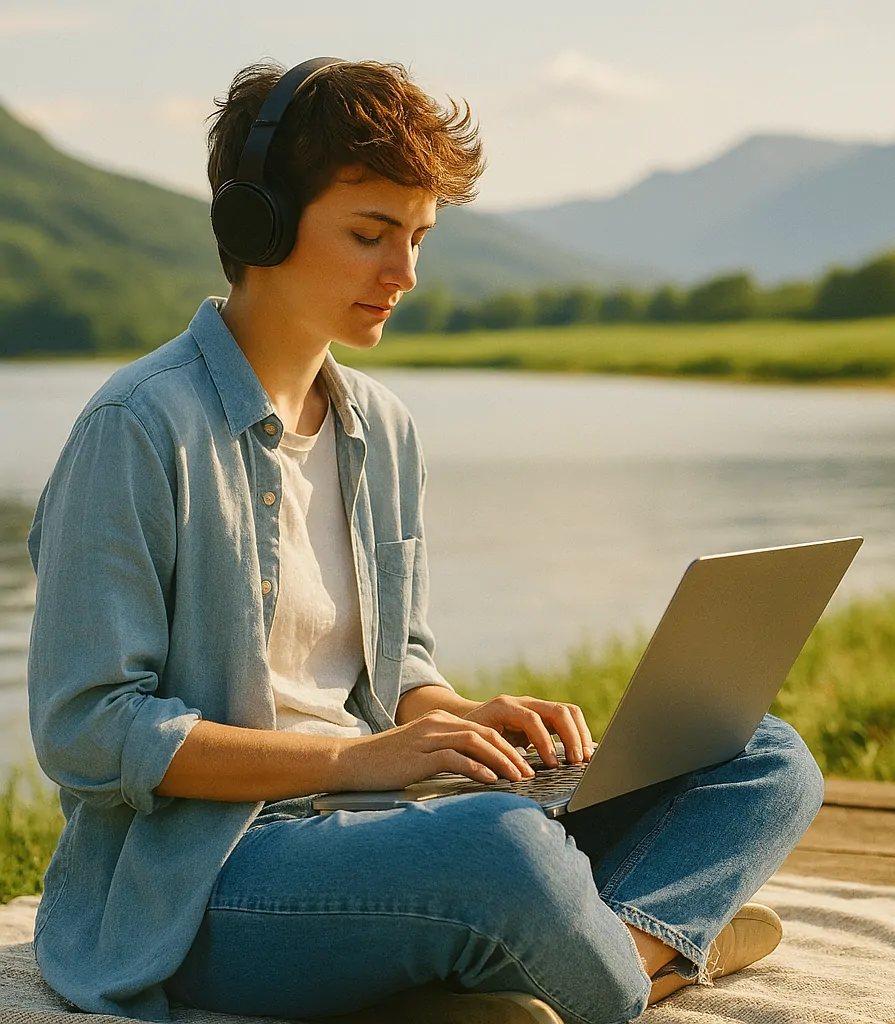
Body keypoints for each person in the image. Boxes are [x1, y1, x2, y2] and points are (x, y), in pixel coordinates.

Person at [26, 58, 825, 1024]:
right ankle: (641, 961)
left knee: (761, 755)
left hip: (387, 825)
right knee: (498, 850)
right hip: (211, 881)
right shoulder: (138, 428)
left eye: (417, 239)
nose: (403, 274)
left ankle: (597, 954)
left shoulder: (384, 429)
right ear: (258, 223)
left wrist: (463, 718)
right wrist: (354, 763)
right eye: (370, 235)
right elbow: (87, 729)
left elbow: (396, 662)